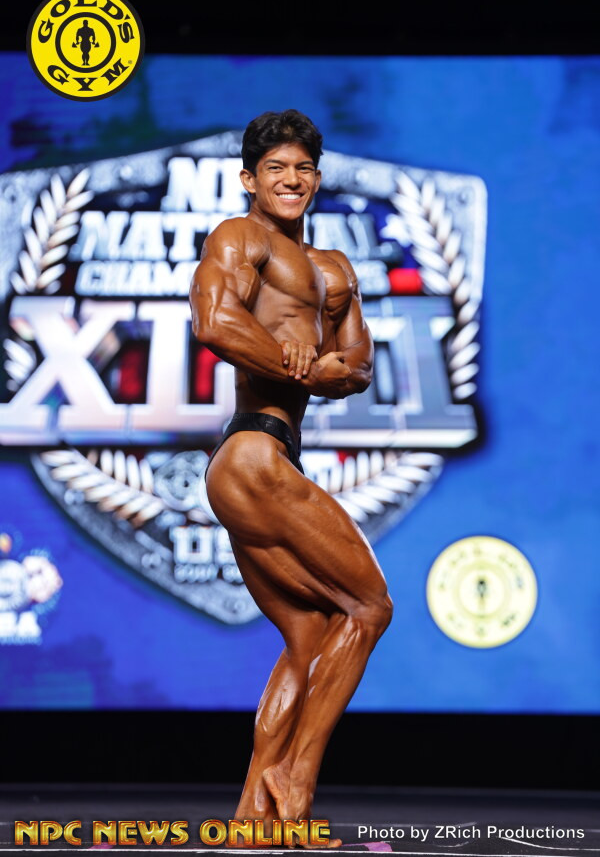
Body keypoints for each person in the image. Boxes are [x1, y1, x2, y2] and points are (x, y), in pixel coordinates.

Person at [189, 109, 393, 842]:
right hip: (250, 454)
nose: (291, 179)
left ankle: (254, 816)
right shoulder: (238, 238)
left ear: (317, 177)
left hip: (269, 458)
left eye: (303, 168)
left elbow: (357, 367)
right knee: (369, 608)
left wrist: (322, 369)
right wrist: (294, 362)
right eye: (275, 168)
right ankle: (297, 774)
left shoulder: (334, 269)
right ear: (249, 179)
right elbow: (214, 323)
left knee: (310, 634)